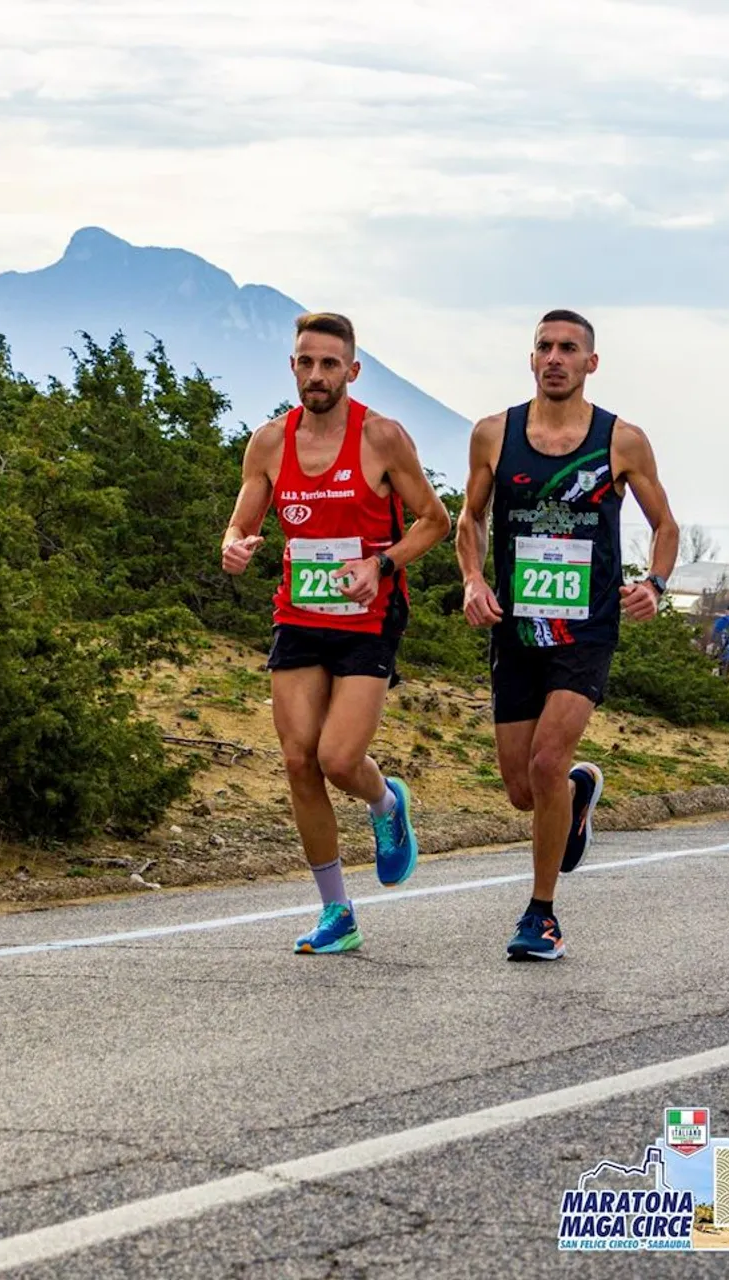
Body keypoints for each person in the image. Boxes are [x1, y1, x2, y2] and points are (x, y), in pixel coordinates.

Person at [220, 312, 451, 954]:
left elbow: (436, 522)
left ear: (352, 370)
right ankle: (336, 913)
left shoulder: (381, 438)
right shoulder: (268, 443)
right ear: (292, 367)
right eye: (305, 362)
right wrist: (234, 548)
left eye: (329, 364)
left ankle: (385, 803)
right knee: (298, 761)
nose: (316, 375)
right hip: (298, 613)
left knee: (338, 759)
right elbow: (239, 525)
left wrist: (379, 565)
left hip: (368, 618)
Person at [458, 309, 680, 961]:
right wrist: (474, 580)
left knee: (546, 760)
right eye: (544, 348)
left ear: (591, 363)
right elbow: (468, 519)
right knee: (523, 788)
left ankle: (541, 915)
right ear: (531, 360)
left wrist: (657, 585)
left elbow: (665, 524)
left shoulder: (622, 441)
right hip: (517, 628)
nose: (555, 357)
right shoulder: (494, 435)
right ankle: (579, 794)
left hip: (587, 629)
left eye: (568, 349)